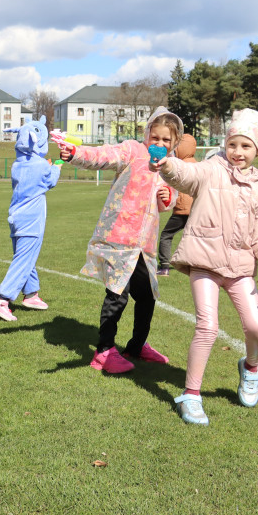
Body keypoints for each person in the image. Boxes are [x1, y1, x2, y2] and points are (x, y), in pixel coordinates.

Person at [155, 109, 258, 425]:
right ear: (225, 144)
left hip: (240, 267)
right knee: (207, 326)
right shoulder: (210, 170)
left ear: (257, 149)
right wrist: (168, 164)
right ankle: (191, 395)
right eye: (233, 145)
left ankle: (251, 368)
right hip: (204, 262)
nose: (238, 152)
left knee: (256, 326)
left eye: (246, 146)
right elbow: (186, 175)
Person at [56, 107, 181, 374]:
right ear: (146, 134)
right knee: (117, 296)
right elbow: (103, 155)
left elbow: (169, 201)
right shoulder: (133, 151)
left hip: (143, 246)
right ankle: (103, 351)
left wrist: (166, 198)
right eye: (155, 137)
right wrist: (75, 153)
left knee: (147, 297)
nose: (159, 144)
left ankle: (136, 346)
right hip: (118, 238)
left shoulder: (170, 167)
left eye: (166, 140)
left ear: (174, 143)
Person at [0, 120, 61, 321]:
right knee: (23, 258)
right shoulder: (39, 165)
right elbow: (50, 181)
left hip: (16, 216)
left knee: (25, 255)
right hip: (31, 219)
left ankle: (31, 294)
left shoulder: (18, 164)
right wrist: (57, 166)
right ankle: (3, 299)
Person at [157, 133, 197, 276]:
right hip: (196, 210)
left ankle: (164, 266)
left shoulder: (179, 165)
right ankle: (196, 266)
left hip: (182, 209)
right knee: (194, 237)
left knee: (166, 235)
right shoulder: (197, 164)